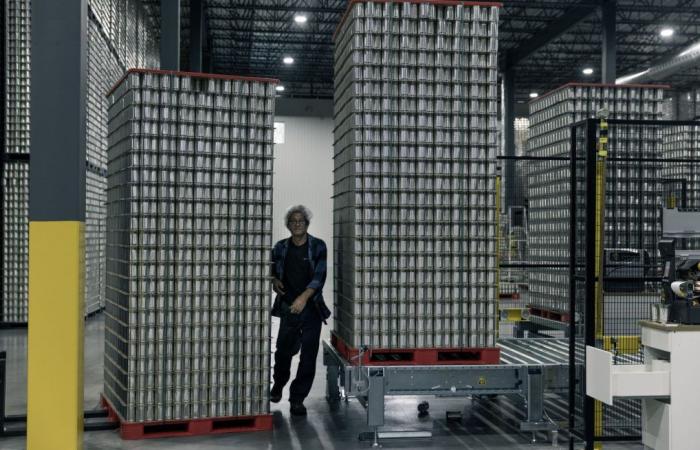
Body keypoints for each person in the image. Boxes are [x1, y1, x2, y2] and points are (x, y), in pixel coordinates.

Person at [269, 205, 331, 416]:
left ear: (307, 224)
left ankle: (297, 399)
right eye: (293, 221)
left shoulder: (318, 246)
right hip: (288, 308)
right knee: (283, 353)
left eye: (301, 221)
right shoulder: (279, 248)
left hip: (311, 308)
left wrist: (303, 299)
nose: (297, 224)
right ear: (288, 225)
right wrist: (274, 279)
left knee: (308, 358)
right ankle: (278, 386)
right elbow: (270, 270)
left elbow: (319, 277)